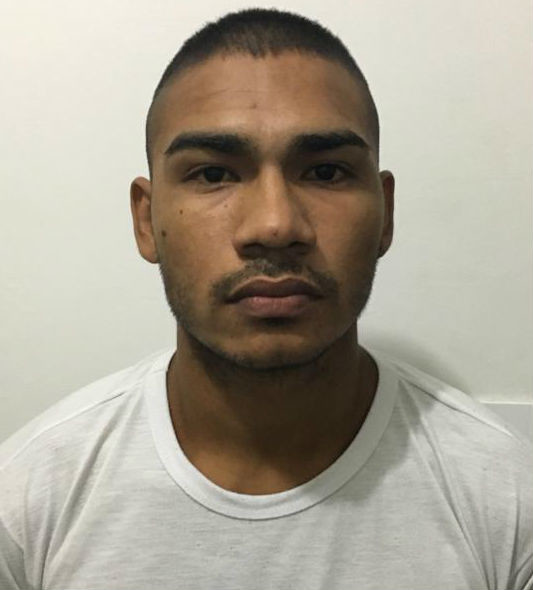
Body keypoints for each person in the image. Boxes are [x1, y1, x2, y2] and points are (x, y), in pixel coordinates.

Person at [1, 7, 531, 590]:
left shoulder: (507, 500)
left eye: (326, 172)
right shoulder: (27, 503)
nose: (275, 226)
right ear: (146, 221)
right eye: (213, 174)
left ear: (385, 213)